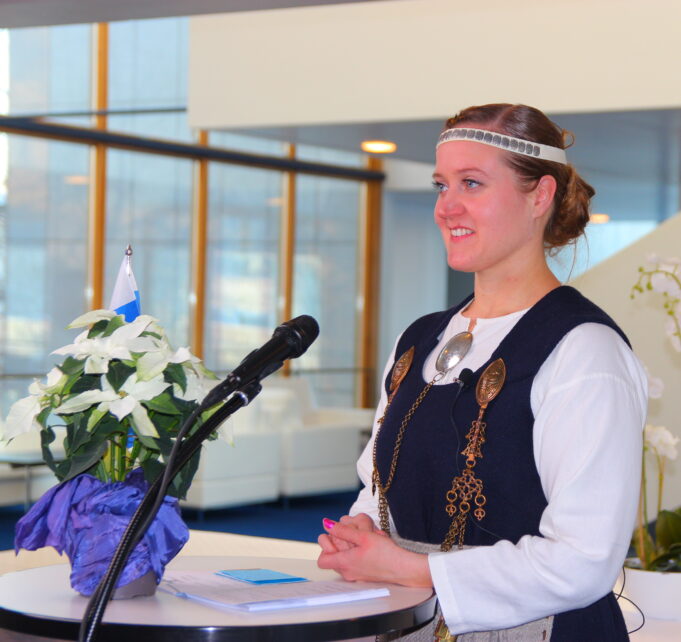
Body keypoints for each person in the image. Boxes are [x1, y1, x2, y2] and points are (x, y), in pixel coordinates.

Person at [317, 103, 647, 641]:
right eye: (441, 186)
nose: (446, 207)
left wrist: (413, 569)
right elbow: (379, 488)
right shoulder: (417, 339)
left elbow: (584, 560)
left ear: (539, 195)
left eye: (471, 183)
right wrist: (363, 528)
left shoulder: (585, 350)